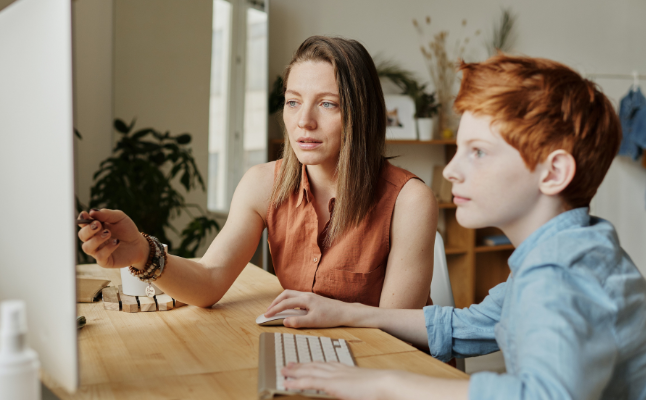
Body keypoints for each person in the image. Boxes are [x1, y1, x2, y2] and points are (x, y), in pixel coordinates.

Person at [263, 55, 646, 399]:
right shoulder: (567, 250)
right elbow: (463, 325)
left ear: (554, 173)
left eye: (477, 152)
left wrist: (385, 382)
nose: (454, 171)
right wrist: (344, 312)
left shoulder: (561, 274)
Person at [77, 36, 438, 309]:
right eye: (293, 101)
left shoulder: (410, 201)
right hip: (312, 357)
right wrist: (142, 252)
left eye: (327, 104)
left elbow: (395, 333)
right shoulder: (263, 184)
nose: (303, 121)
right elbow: (209, 280)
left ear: (362, 114)